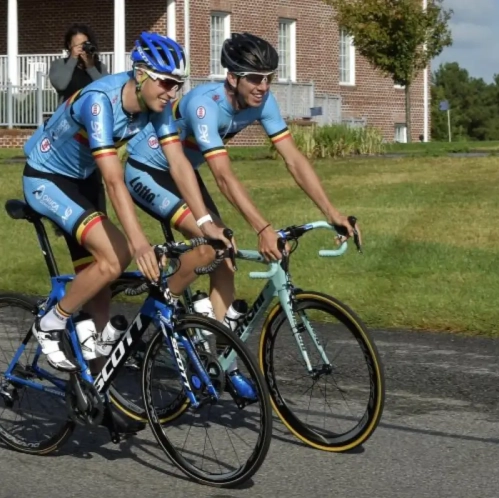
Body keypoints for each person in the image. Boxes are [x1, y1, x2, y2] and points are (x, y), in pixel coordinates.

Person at [122, 32, 361, 393]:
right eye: (254, 78)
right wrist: (263, 228)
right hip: (147, 170)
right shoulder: (204, 105)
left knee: (226, 259)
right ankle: (155, 322)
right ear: (232, 77)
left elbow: (294, 159)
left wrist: (332, 212)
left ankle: (219, 360)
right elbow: (222, 175)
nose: (263, 86)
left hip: (182, 173)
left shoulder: (263, 102)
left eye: (269, 78)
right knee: (210, 247)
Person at [22, 30, 232, 384]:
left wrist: (205, 221)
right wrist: (138, 244)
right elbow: (114, 180)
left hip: (82, 178)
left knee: (103, 276)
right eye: (166, 83)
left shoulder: (155, 105)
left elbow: (179, 164)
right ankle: (51, 322)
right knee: (118, 254)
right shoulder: (99, 101)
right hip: (46, 178)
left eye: (177, 85)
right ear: (141, 75)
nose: (172, 93)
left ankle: (97, 371)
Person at [49, 23, 109, 103]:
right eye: (77, 45)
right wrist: (73, 58)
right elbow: (61, 85)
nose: (81, 48)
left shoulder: (100, 66)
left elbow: (107, 89)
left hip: (93, 108)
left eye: (84, 44)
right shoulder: (59, 64)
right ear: (69, 45)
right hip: (69, 109)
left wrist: (90, 67)